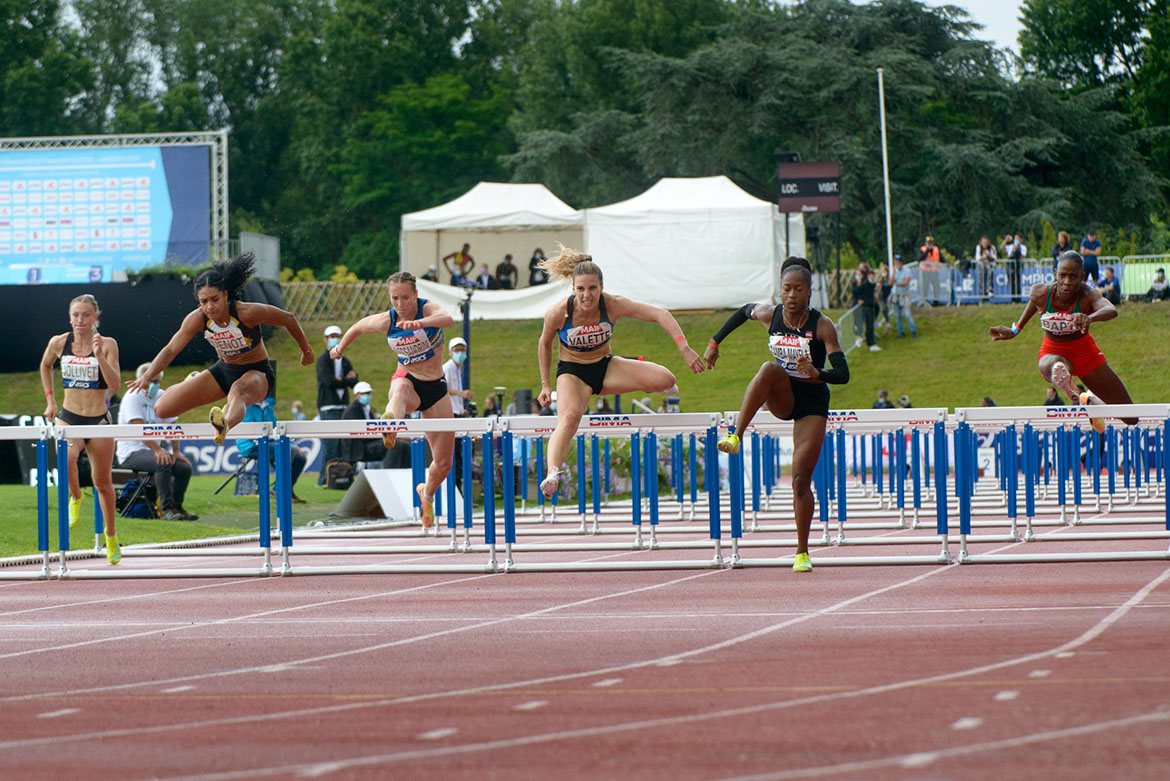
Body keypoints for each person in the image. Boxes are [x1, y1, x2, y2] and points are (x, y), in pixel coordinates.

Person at [704, 256, 849, 574]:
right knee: (768, 368)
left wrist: (817, 373)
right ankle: (735, 435)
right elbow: (744, 311)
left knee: (800, 480)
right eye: (786, 289)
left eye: (799, 289)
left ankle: (802, 552)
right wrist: (715, 342)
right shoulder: (770, 315)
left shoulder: (822, 325)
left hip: (811, 401)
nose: (792, 295)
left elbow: (843, 373)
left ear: (810, 292)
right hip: (782, 395)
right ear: (780, 292)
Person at [536, 245, 704, 498]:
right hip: (573, 373)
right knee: (570, 417)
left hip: (605, 366)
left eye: (592, 288)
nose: (587, 296)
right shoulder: (559, 312)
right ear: (573, 288)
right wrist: (546, 385)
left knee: (666, 379)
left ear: (601, 288)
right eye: (580, 289)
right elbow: (544, 343)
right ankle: (552, 473)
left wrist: (685, 349)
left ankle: (655, 385)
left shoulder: (612, 305)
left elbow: (660, 314)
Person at [128, 253, 315, 447]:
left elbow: (288, 318)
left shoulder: (246, 313)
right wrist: (148, 376)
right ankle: (193, 381)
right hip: (224, 371)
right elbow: (170, 349)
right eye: (203, 301)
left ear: (226, 295)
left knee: (238, 390)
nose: (209, 307)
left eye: (214, 299)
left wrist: (306, 350)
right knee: (163, 409)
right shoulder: (197, 319)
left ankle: (224, 424)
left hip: (257, 373)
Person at [329, 271, 455, 527]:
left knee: (443, 464)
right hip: (407, 378)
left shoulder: (426, 308)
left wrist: (421, 323)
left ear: (415, 295)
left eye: (405, 298)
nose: (400, 304)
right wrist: (340, 348)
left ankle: (427, 494)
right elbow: (358, 327)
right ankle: (390, 426)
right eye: (395, 298)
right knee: (399, 392)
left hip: (435, 388)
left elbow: (448, 318)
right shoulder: (388, 320)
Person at [989, 250, 1135, 432]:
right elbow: (1030, 310)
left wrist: (1090, 318)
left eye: (1073, 277)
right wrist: (1014, 330)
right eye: (1062, 275)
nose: (1067, 282)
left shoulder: (1088, 295)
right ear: (1055, 273)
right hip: (1053, 350)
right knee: (1054, 365)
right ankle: (1061, 374)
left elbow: (1111, 310)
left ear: (1082, 277)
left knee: (1130, 417)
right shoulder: (1040, 293)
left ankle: (1088, 399)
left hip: (1085, 352)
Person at [39, 294, 123, 564]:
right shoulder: (59, 342)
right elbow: (45, 365)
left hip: (98, 420)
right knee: (66, 458)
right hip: (69, 417)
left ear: (96, 317)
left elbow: (115, 384)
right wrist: (50, 399)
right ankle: (76, 497)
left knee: (103, 483)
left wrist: (98, 356)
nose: (80, 320)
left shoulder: (107, 344)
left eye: (86, 315)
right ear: (70, 316)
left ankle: (111, 535)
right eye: (76, 315)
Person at [116, 363, 197, 521]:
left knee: (184, 468)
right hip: (131, 451)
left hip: (151, 450)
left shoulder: (162, 395)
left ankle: (177, 507)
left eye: (158, 381)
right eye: (152, 381)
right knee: (162, 461)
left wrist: (176, 452)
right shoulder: (133, 396)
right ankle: (166, 509)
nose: (155, 385)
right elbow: (138, 430)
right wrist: (158, 450)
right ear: (141, 379)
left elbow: (173, 425)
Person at [239, 395, 308, 502]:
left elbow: (276, 429)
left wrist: (292, 444)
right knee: (289, 451)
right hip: (250, 446)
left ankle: (287, 491)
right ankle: (278, 490)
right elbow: (248, 431)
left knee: (300, 458)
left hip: (269, 442)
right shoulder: (246, 406)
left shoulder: (268, 405)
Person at [315, 324, 359, 484]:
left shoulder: (345, 360)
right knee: (330, 443)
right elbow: (329, 382)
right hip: (329, 407)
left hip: (343, 406)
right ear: (325, 339)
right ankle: (323, 479)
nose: (335, 339)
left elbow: (356, 382)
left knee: (343, 443)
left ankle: (340, 477)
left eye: (337, 336)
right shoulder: (323, 360)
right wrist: (346, 380)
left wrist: (344, 380)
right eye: (331, 336)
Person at [850, 263, 880, 351]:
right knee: (859, 323)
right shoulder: (861, 284)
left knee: (870, 325)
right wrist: (860, 299)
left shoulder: (867, 283)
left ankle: (871, 342)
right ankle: (862, 340)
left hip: (869, 306)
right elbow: (855, 291)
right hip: (864, 306)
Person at [889, 255, 918, 339]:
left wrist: (896, 283)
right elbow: (890, 282)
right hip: (895, 295)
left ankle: (913, 331)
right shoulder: (894, 272)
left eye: (897, 262)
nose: (896, 263)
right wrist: (893, 273)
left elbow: (905, 282)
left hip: (904, 295)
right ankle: (900, 333)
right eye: (895, 262)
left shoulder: (907, 271)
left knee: (908, 315)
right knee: (897, 316)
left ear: (901, 262)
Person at [443, 337, 472, 417]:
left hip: (457, 412)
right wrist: (461, 393)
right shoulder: (448, 368)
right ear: (450, 352)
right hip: (449, 411)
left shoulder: (457, 369)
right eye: (456, 350)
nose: (460, 353)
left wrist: (461, 410)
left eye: (462, 350)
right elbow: (442, 389)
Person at [918, 235, 942, 306]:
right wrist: (927, 250)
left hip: (934, 271)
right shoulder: (923, 249)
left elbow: (941, 257)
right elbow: (920, 258)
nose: (930, 243)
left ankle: (936, 300)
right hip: (925, 271)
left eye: (931, 242)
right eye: (929, 242)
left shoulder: (936, 249)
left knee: (936, 286)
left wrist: (946, 262)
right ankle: (925, 300)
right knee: (925, 286)